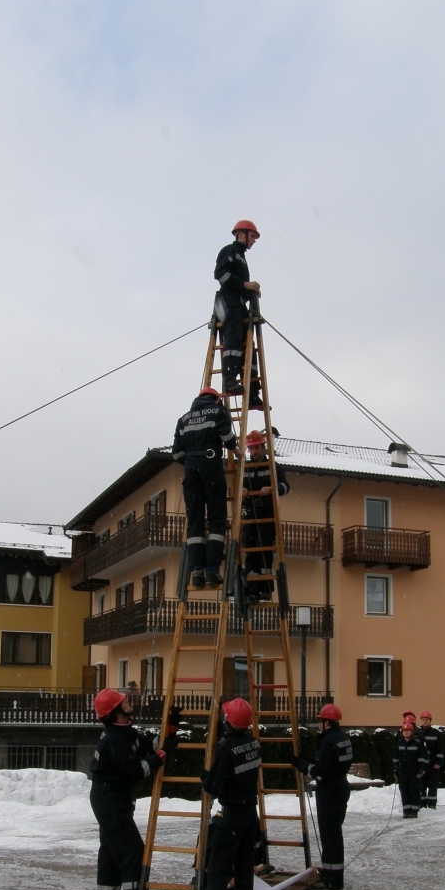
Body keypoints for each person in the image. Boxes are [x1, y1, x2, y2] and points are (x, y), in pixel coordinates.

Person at [178, 697, 261, 890]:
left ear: (229, 722)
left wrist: (206, 777)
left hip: (233, 815)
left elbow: (214, 786)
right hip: (249, 815)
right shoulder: (253, 743)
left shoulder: (226, 748)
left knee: (218, 871)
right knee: (244, 871)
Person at [89, 688, 168, 890]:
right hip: (109, 801)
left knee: (112, 854)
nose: (128, 702)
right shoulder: (114, 740)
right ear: (115, 712)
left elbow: (144, 744)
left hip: (112, 799)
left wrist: (170, 731)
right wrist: (158, 758)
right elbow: (135, 771)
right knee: (133, 852)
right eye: (122, 702)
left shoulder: (124, 732)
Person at [172, 387, 237, 589]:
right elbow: (228, 440)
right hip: (212, 469)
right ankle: (211, 571)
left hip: (191, 473)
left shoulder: (183, 419)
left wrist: (192, 461)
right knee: (217, 519)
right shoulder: (218, 412)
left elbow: (176, 454)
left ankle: (197, 572)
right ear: (215, 399)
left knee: (195, 522)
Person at [293, 703, 353, 890]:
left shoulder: (328, 741)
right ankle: (331, 871)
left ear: (327, 722)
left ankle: (333, 879)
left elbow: (320, 772)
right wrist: (309, 760)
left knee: (330, 835)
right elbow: (330, 764)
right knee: (333, 833)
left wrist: (301, 764)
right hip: (340, 787)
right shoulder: (342, 738)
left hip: (329, 790)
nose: (318, 724)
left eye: (319, 720)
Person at [214, 220, 264, 408]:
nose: (254, 241)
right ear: (241, 235)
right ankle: (230, 379)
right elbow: (221, 275)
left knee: (247, 345)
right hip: (228, 302)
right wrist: (244, 285)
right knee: (233, 339)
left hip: (238, 302)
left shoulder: (241, 256)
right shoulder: (229, 251)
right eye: (252, 236)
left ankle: (252, 391)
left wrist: (250, 291)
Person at [242, 430, 290, 606]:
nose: (254, 452)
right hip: (249, 513)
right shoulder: (244, 468)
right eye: (251, 449)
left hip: (267, 514)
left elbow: (285, 487)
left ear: (263, 447)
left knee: (265, 551)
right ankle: (252, 591)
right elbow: (234, 489)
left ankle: (265, 589)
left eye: (257, 448)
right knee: (250, 551)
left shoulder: (273, 467)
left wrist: (272, 488)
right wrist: (242, 491)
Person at [392, 720, 429, 819]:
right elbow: (395, 758)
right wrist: (395, 769)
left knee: (414, 791)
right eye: (404, 730)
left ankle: (414, 811)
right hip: (403, 772)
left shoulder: (417, 743)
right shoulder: (399, 744)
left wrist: (421, 769)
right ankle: (406, 811)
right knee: (404, 791)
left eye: (408, 730)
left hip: (414, 771)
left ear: (412, 732)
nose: (406, 732)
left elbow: (421, 757)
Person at [417, 710, 444, 810]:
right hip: (422, 764)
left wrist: (438, 762)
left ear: (430, 721)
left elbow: (440, 749)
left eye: (427, 720)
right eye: (423, 719)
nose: (425, 721)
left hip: (432, 763)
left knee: (433, 784)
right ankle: (422, 803)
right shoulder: (418, 733)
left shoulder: (436, 733)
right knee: (421, 783)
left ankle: (432, 803)